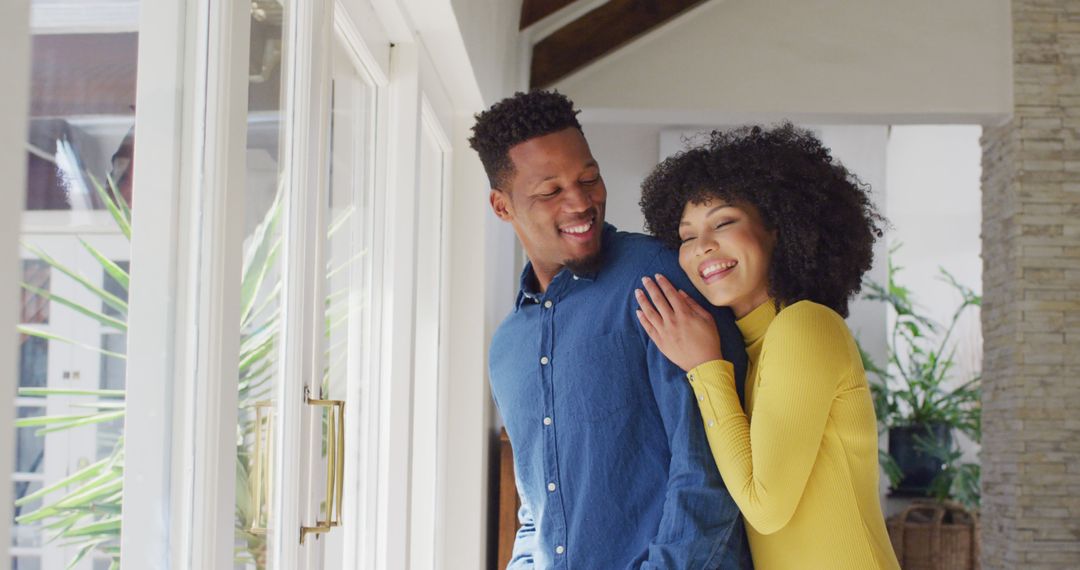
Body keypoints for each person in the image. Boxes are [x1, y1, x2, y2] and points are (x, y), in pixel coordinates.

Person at [471, 90, 753, 569]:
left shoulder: (658, 277)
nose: (581, 202)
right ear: (502, 206)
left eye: (589, 178)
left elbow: (710, 471)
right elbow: (539, 512)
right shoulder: (507, 347)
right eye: (550, 191)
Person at [634, 123, 901, 570]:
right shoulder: (750, 347)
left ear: (776, 228)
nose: (702, 246)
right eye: (686, 236)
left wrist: (704, 366)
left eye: (724, 222)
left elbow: (765, 505)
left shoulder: (803, 326)